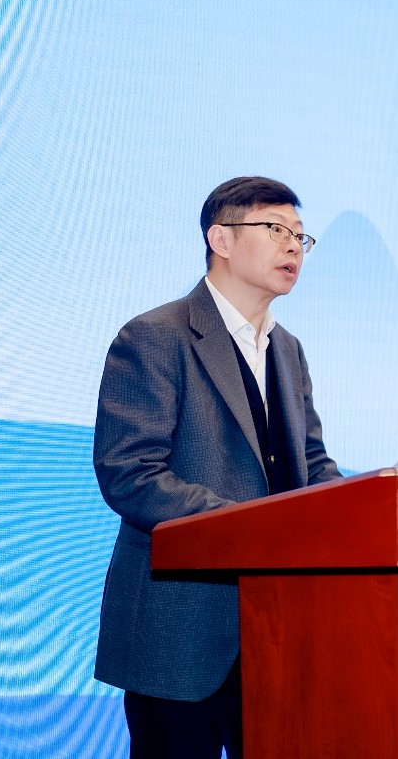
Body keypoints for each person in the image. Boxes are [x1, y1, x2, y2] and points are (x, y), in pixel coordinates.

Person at [93, 177, 342, 758]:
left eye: (301, 236)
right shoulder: (155, 337)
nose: (294, 246)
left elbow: (311, 463)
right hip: (181, 631)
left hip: (278, 630)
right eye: (276, 229)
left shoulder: (288, 349)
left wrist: (362, 507)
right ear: (221, 240)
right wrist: (252, 527)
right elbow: (131, 474)